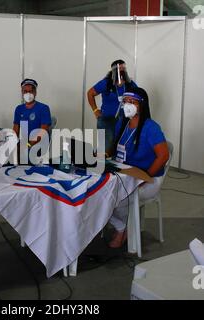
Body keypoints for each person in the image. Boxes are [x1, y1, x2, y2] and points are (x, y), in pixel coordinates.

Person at [108, 87, 169, 248]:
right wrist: (101, 155)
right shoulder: (122, 123)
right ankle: (122, 225)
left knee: (113, 196)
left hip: (149, 178)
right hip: (124, 174)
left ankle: (122, 229)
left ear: (142, 105)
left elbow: (163, 156)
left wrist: (145, 177)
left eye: (132, 102)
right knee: (99, 192)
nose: (127, 105)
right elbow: (114, 148)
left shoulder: (151, 127)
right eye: (125, 102)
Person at [87, 60, 137, 152]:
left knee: (121, 146)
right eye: (120, 68)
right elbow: (90, 93)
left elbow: (138, 97)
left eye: (124, 68)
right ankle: (100, 164)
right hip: (107, 120)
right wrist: (95, 110)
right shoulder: (106, 83)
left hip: (124, 120)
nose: (122, 70)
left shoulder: (130, 84)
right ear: (113, 70)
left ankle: (117, 165)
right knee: (106, 146)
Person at [13, 79, 51, 163]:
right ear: (22, 93)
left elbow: (43, 131)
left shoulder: (43, 108)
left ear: (35, 93)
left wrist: (28, 145)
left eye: (30, 91)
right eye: (25, 91)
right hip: (24, 144)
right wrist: (15, 144)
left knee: (26, 155)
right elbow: (15, 131)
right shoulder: (19, 109)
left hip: (38, 145)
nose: (28, 94)